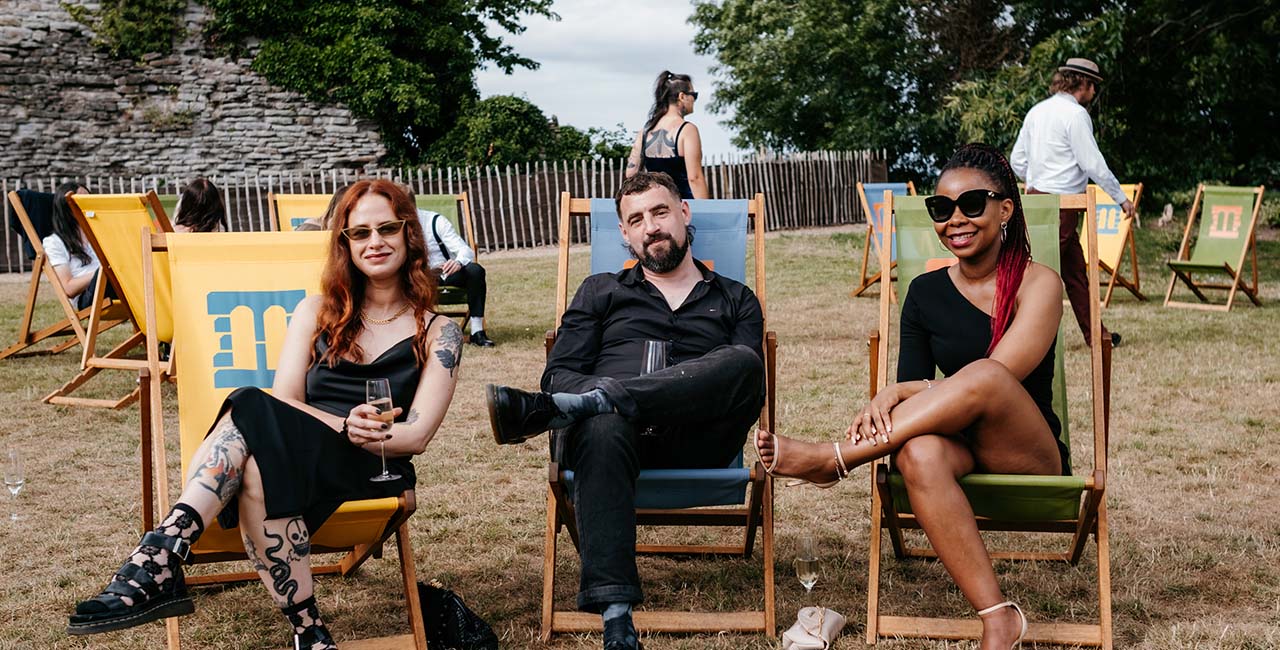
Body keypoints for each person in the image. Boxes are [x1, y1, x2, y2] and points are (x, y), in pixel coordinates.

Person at [67, 179, 464, 649]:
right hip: (298, 451)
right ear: (345, 244)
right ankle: (309, 635)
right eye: (360, 233)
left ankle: (161, 554)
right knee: (256, 447)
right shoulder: (317, 311)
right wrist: (340, 422)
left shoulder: (440, 332)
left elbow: (415, 436)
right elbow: (285, 399)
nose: (375, 242)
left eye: (387, 229)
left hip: (375, 465)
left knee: (250, 402)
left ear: (409, 236)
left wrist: (360, 434)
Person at [756, 144, 1067, 650]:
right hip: (959, 448)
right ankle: (998, 617)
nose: (955, 220)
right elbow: (911, 418)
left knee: (986, 376)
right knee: (916, 451)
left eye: (972, 204)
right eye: (941, 210)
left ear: (1005, 208)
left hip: (1027, 455)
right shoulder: (923, 292)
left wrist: (902, 389)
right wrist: (902, 394)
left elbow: (1000, 376)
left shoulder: (1040, 284)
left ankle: (835, 459)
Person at [484, 171, 763, 650]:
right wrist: (615, 401)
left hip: (697, 444)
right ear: (625, 233)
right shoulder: (600, 290)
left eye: (659, 212)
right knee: (605, 423)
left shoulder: (735, 299)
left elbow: (745, 385)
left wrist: (607, 394)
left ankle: (599, 402)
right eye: (636, 219)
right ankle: (616, 618)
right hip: (608, 445)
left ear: (684, 213)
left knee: (742, 361)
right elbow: (558, 378)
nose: (651, 227)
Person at [1010, 57, 1128, 348]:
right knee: (1033, 272)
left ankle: (1096, 336)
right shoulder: (1075, 116)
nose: (1094, 92)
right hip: (1062, 204)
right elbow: (1093, 164)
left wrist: (1036, 178)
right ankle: (1012, 335)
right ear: (1083, 83)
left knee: (1075, 274)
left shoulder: (1037, 111)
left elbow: (1016, 160)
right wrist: (1121, 198)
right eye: (1094, 86)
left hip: (1035, 199)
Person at [414, 197, 495, 347]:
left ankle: (477, 332)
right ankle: (418, 331)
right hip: (419, 276)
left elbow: (465, 250)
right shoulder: (392, 228)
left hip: (446, 272)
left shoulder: (435, 221)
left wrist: (458, 262)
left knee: (475, 270)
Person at [625, 71, 709, 200]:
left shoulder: (645, 131)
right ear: (682, 96)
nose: (694, 99)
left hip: (656, 205)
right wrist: (707, 211)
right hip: (682, 207)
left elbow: (631, 173)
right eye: (694, 95)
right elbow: (695, 178)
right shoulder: (687, 130)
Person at [44, 181, 100, 310]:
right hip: (87, 296)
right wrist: (103, 272)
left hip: (114, 286)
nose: (89, 205)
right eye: (82, 201)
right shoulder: (54, 242)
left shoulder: (98, 234)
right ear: (66, 208)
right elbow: (68, 288)